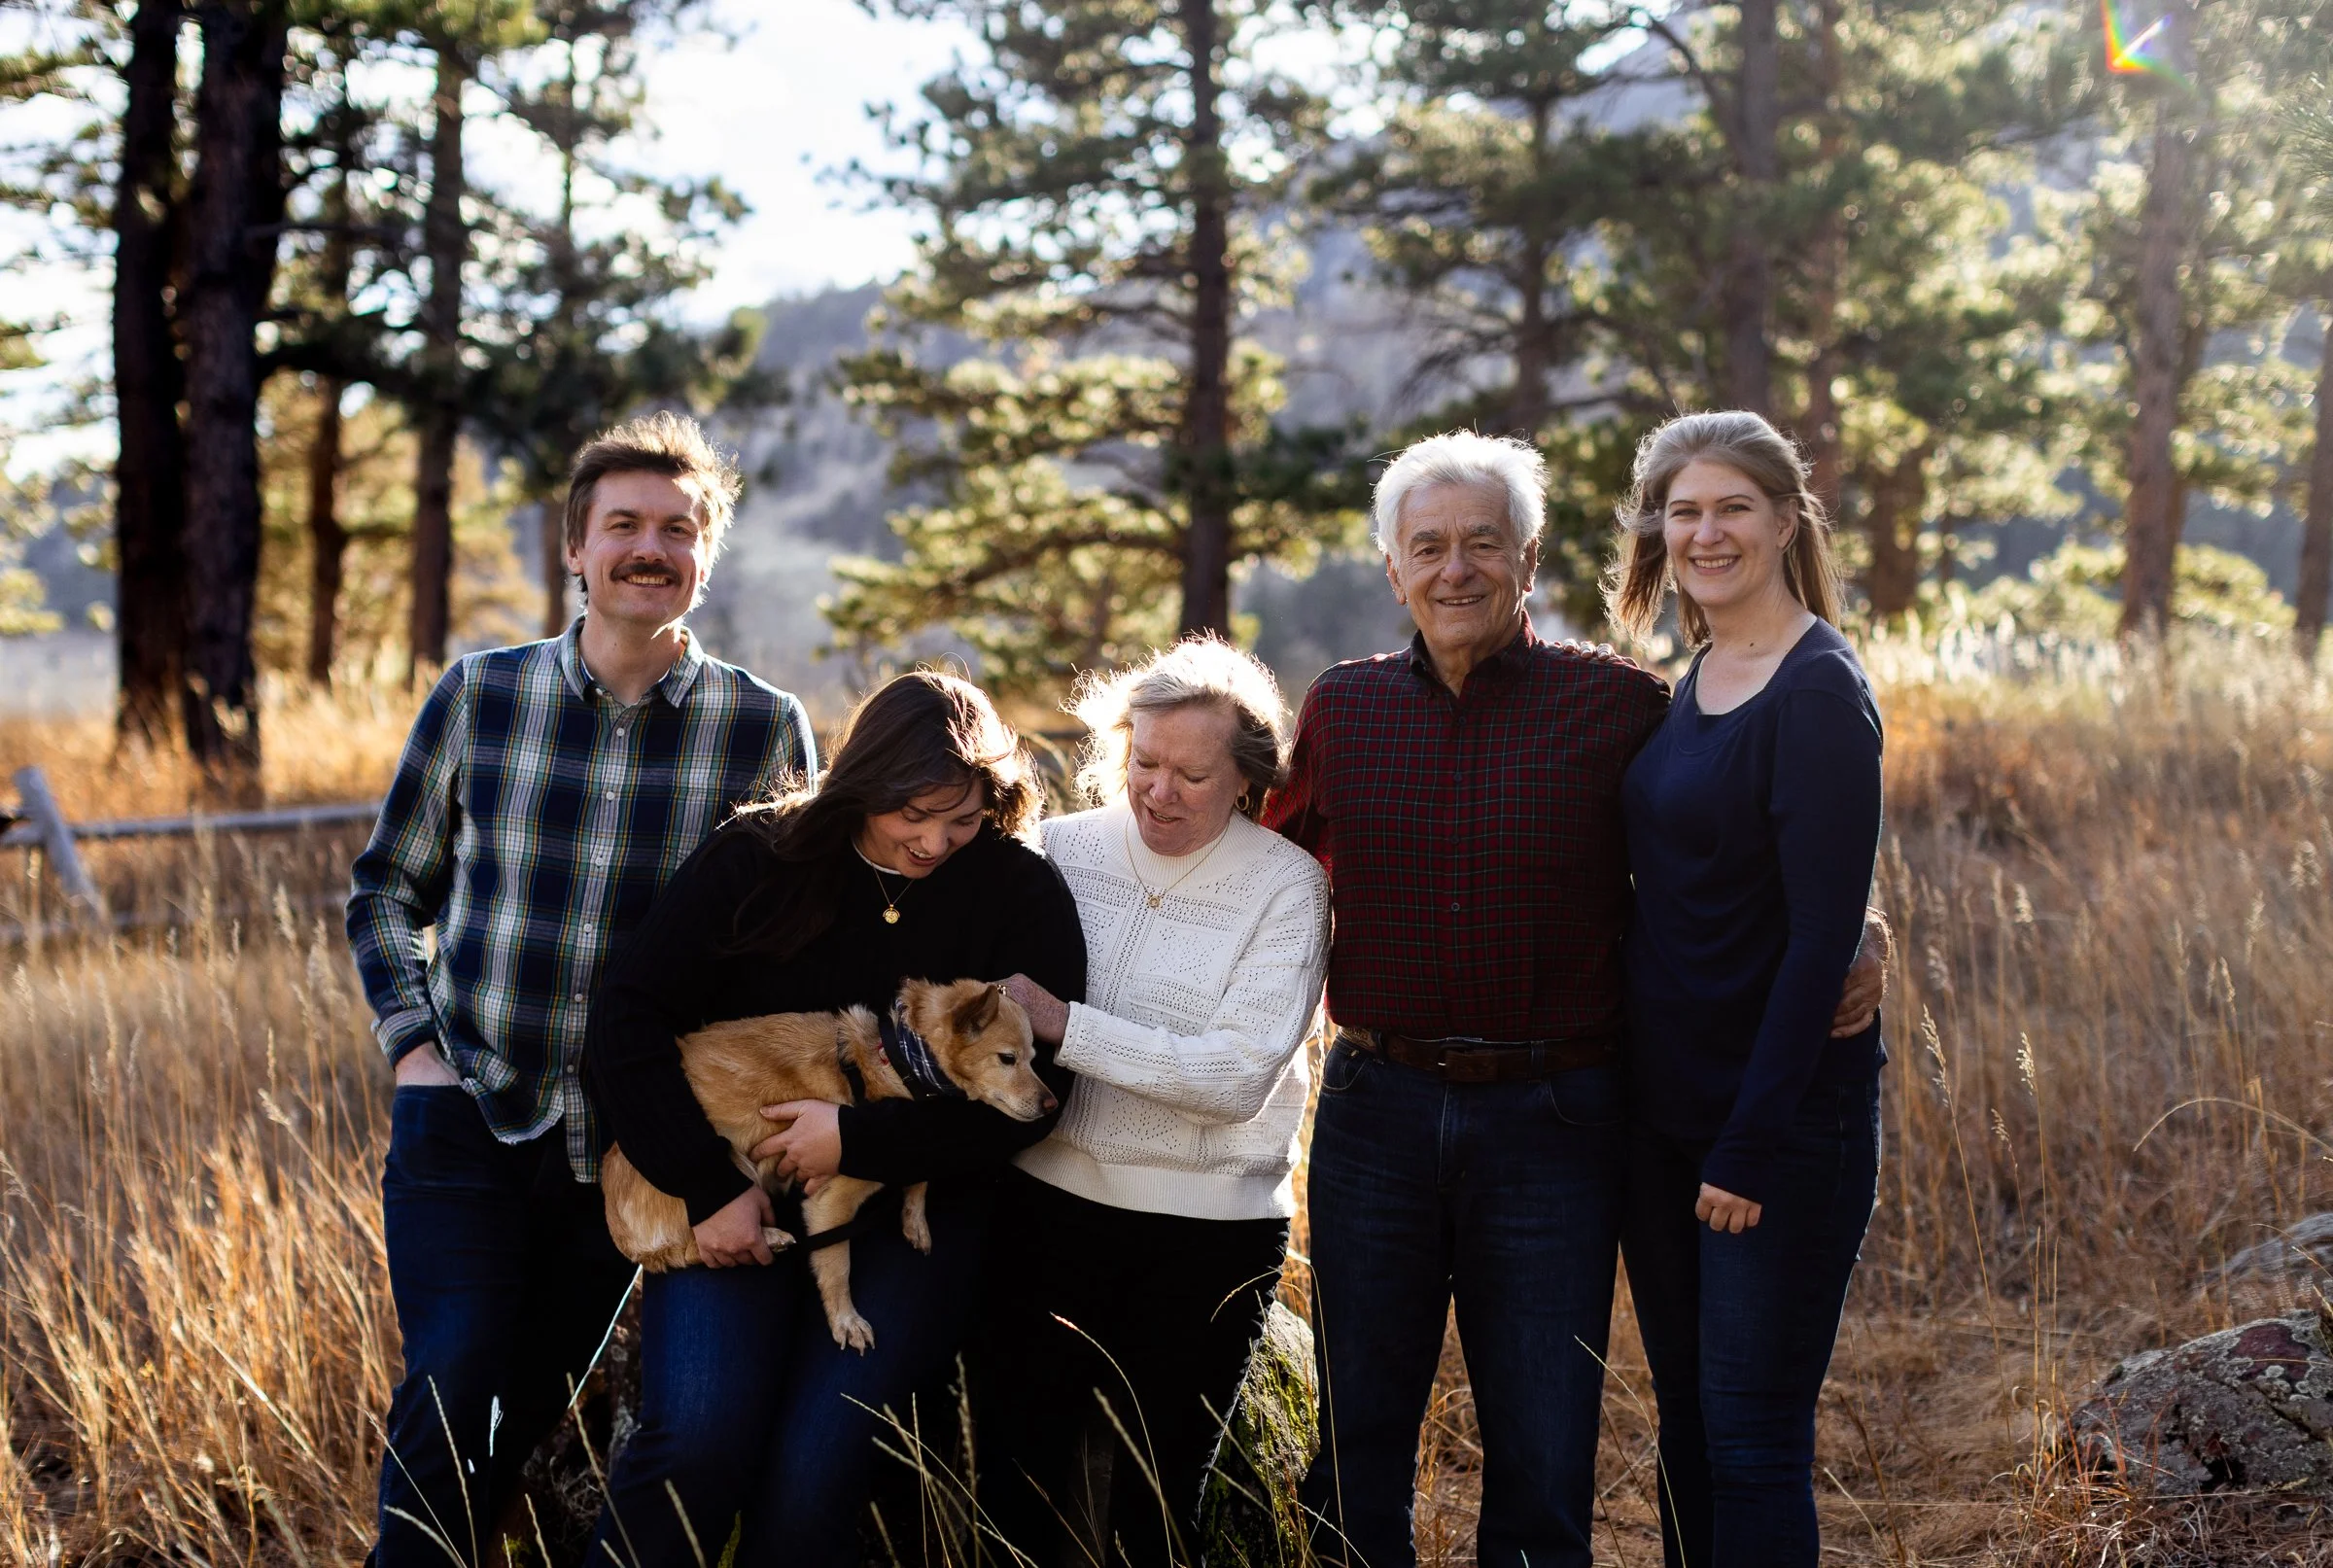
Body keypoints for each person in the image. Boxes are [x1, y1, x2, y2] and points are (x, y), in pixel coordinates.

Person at [1263, 431, 1884, 1568]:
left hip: (1556, 1120)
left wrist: (1861, 930)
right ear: (1393, 569)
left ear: (1530, 557)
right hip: (1376, 1117)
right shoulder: (1340, 713)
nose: (1457, 569)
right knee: (1358, 1442)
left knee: (1546, 1459)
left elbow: (1744, 832)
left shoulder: (1619, 706)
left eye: (1483, 542)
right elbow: (1240, 865)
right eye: (1429, 546)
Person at [347, 413, 816, 1567]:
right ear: (575, 548)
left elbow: (783, 953)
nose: (648, 549)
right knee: (454, 1375)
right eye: (624, 526)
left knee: (524, 1406)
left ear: (706, 556)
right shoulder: (480, 697)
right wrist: (414, 1040)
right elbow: (385, 886)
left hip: (628, 1144)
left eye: (677, 528)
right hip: (467, 1109)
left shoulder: (764, 731)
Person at [581, 670, 1088, 1568]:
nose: (935, 842)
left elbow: (1036, 1105)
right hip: (734, 1197)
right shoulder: (762, 858)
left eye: (963, 818)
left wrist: (857, 1140)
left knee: (818, 1469)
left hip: (908, 1222)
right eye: (913, 816)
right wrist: (707, 1188)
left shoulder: (1017, 891)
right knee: (697, 1439)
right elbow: (627, 1014)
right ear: (863, 782)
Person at [975, 636, 1331, 1568]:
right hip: (1042, 1211)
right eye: (1144, 762)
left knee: (1156, 1510)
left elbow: (1234, 1076)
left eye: (1192, 775)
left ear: (1248, 779)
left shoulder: (1289, 886)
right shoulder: (1054, 847)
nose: (1160, 792)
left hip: (1204, 1239)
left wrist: (1066, 1026)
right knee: (1014, 1494)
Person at [1605, 411, 1886, 1568]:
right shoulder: (1695, 675)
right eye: (1684, 511)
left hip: (1769, 1129)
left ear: (1783, 520)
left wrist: (1748, 1144)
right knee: (1690, 1426)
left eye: (1730, 508)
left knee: (1755, 1434)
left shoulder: (1819, 688)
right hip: (1665, 1118)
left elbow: (1823, 932)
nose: (1706, 532)